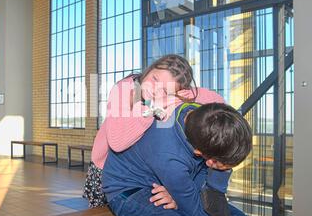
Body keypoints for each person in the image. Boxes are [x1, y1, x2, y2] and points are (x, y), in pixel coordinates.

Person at [102, 102, 253, 216]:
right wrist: (220, 173)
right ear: (199, 152)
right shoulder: (169, 156)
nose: (227, 169)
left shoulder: (201, 118)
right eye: (225, 165)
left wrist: (178, 195)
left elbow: (200, 177)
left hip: (168, 178)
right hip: (128, 191)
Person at [83, 55, 224, 208]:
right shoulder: (126, 88)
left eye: (165, 89)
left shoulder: (176, 94)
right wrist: (153, 107)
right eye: (155, 79)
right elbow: (117, 142)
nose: (154, 89)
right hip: (107, 170)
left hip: (142, 171)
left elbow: (220, 101)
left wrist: (189, 96)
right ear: (150, 69)